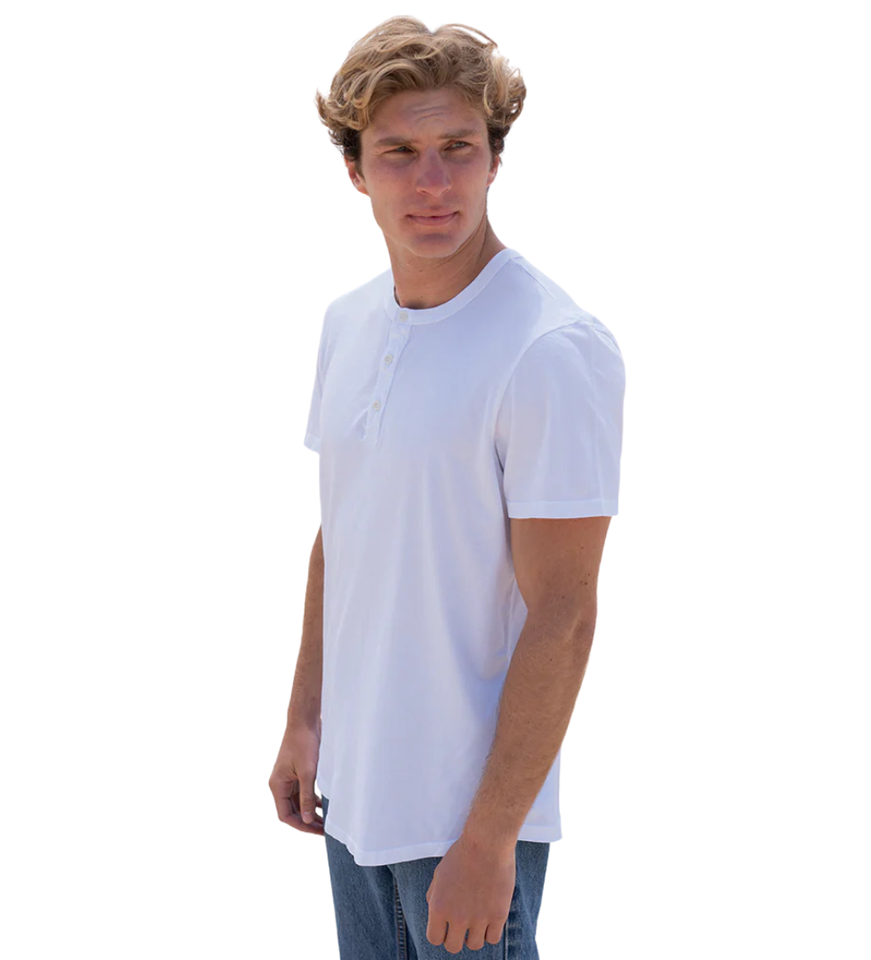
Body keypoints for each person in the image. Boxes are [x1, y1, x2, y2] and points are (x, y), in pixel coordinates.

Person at [268, 16, 626, 958]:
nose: (433, 182)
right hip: (355, 801)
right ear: (357, 170)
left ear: (495, 158)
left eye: (458, 149)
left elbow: (565, 614)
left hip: (464, 823)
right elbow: (343, 530)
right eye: (400, 153)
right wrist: (306, 719)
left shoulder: (550, 349)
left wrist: (491, 839)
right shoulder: (348, 323)